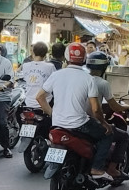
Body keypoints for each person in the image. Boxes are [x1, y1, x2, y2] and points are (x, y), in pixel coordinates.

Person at [36, 41, 115, 181]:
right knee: (107, 135)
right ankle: (97, 168)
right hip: (79, 124)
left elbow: (40, 97)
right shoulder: (88, 79)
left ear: (67, 57)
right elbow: (96, 109)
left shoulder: (56, 75)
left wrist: (53, 114)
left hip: (57, 124)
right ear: (84, 59)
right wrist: (104, 124)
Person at [85, 50, 129, 181]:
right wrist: (127, 107)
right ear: (104, 67)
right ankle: (109, 168)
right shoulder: (103, 83)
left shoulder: (82, 79)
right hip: (90, 122)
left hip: (73, 120)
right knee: (120, 135)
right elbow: (113, 106)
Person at [17, 42, 56, 106]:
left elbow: (18, 74)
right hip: (45, 104)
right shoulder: (50, 67)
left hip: (28, 102)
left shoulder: (25, 65)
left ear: (33, 52)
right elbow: (55, 83)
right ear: (46, 53)